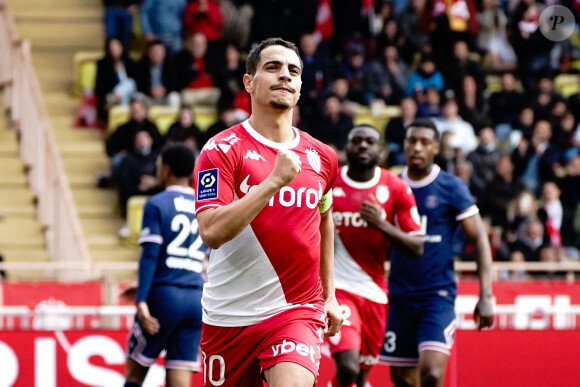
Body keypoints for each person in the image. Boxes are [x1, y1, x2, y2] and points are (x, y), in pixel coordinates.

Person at [192, 37, 342, 387]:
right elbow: (212, 232)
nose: (284, 76)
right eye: (272, 67)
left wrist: (329, 295)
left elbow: (324, 221)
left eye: (293, 71)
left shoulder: (322, 157)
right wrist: (273, 182)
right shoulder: (220, 150)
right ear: (249, 81)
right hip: (229, 316)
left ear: (301, 85)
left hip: (296, 311)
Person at [379, 118, 495, 387]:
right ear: (404, 145)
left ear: (436, 147)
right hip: (398, 296)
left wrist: (486, 294)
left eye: (424, 142)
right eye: (412, 141)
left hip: (437, 296)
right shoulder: (392, 186)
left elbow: (479, 240)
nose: (417, 148)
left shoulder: (451, 187)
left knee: (431, 373)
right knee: (403, 380)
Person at [327, 124, 424, 387]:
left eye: (369, 142)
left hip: (375, 292)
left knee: (360, 377)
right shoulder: (329, 182)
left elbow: (417, 247)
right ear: (347, 147)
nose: (362, 146)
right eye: (356, 140)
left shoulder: (395, 188)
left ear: (381, 151)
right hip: (337, 290)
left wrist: (381, 224)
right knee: (347, 367)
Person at [124, 143, 206, 387]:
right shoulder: (204, 206)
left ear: (166, 170)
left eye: (159, 165)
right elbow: (208, 259)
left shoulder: (156, 203)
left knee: (134, 375)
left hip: (162, 299)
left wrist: (141, 300)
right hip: (195, 300)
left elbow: (150, 255)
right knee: (179, 378)